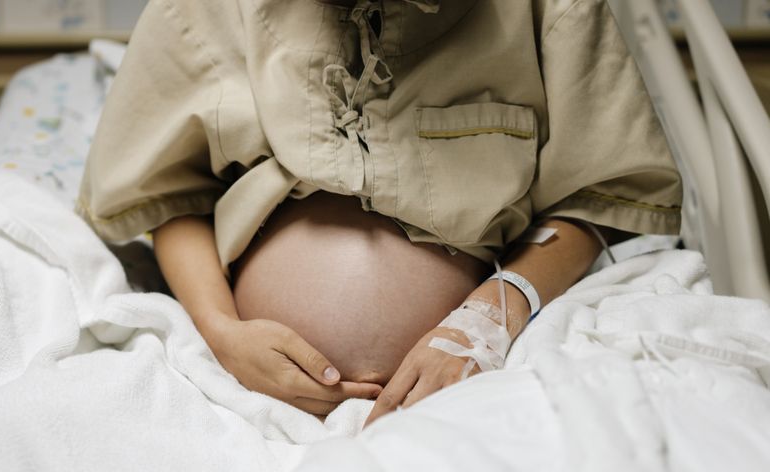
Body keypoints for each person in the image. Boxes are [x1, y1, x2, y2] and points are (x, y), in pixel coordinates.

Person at [77, 0, 682, 425]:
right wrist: (222, 333)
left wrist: (487, 323)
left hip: (480, 379)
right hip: (237, 388)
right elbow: (171, 194)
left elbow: (593, 200)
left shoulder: (543, 10)